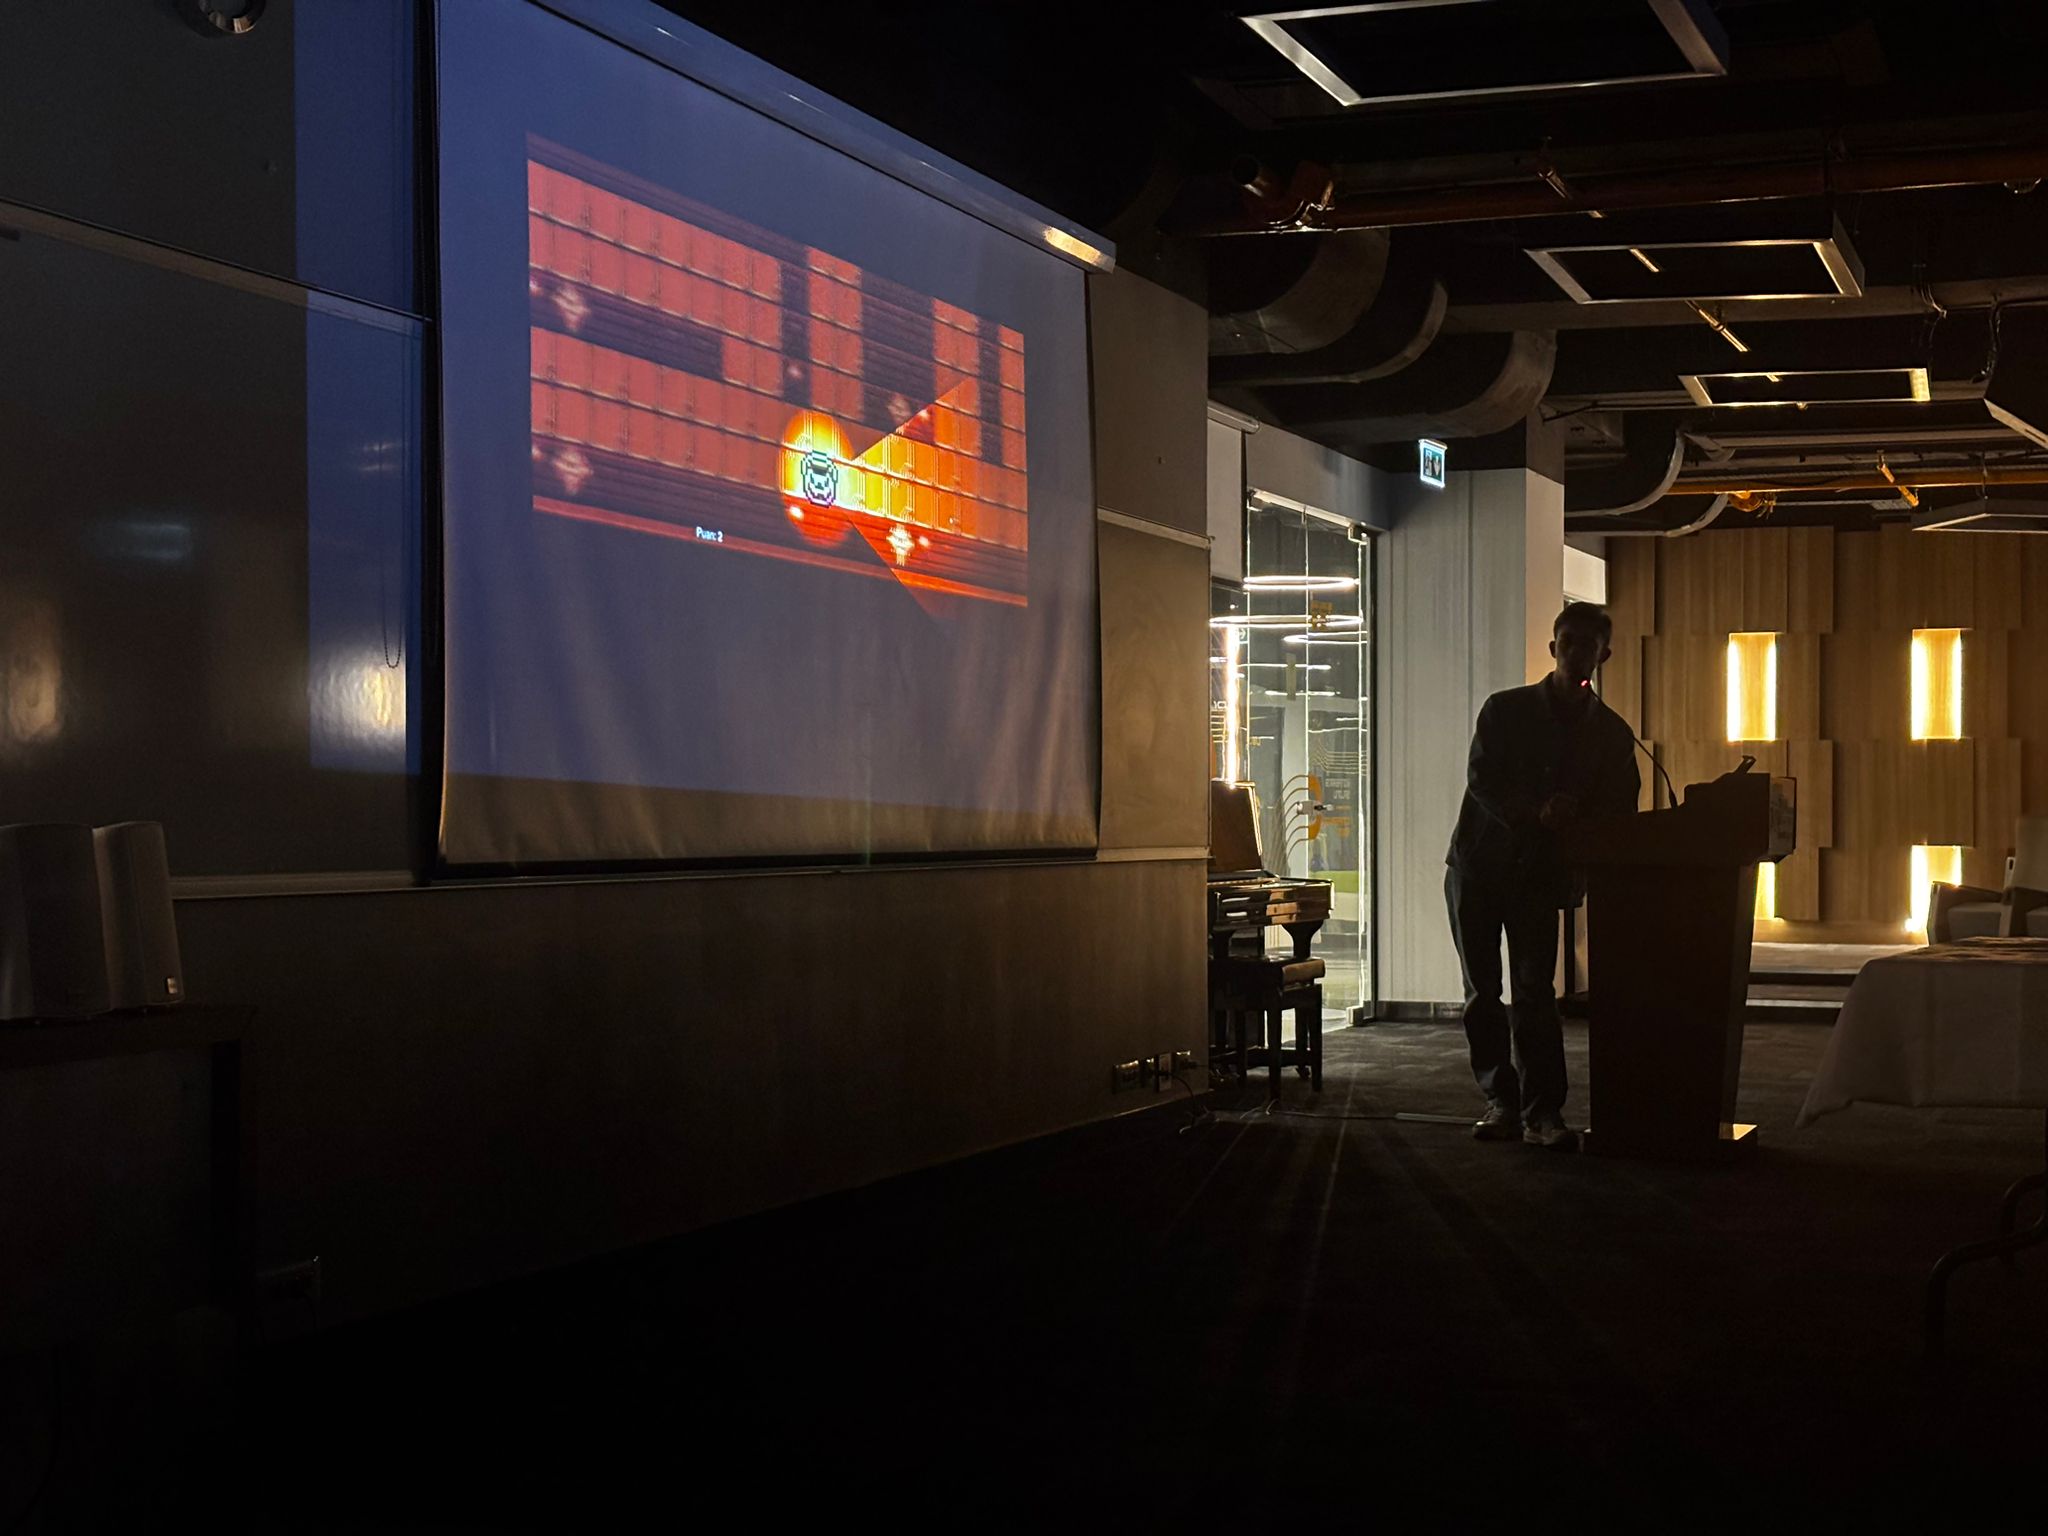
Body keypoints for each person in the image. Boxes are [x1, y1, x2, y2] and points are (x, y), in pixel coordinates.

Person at [1445, 601, 1641, 1149]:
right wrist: (1538, 812)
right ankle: (1500, 1102)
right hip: (1478, 868)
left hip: (1538, 877)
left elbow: (1618, 810)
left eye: (1588, 645)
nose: (1576, 652)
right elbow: (1482, 779)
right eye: (1568, 642)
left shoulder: (1612, 733)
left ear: (1604, 655)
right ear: (1553, 647)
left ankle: (1543, 1112)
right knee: (1482, 993)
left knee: (1534, 994)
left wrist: (1582, 856)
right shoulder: (1505, 710)